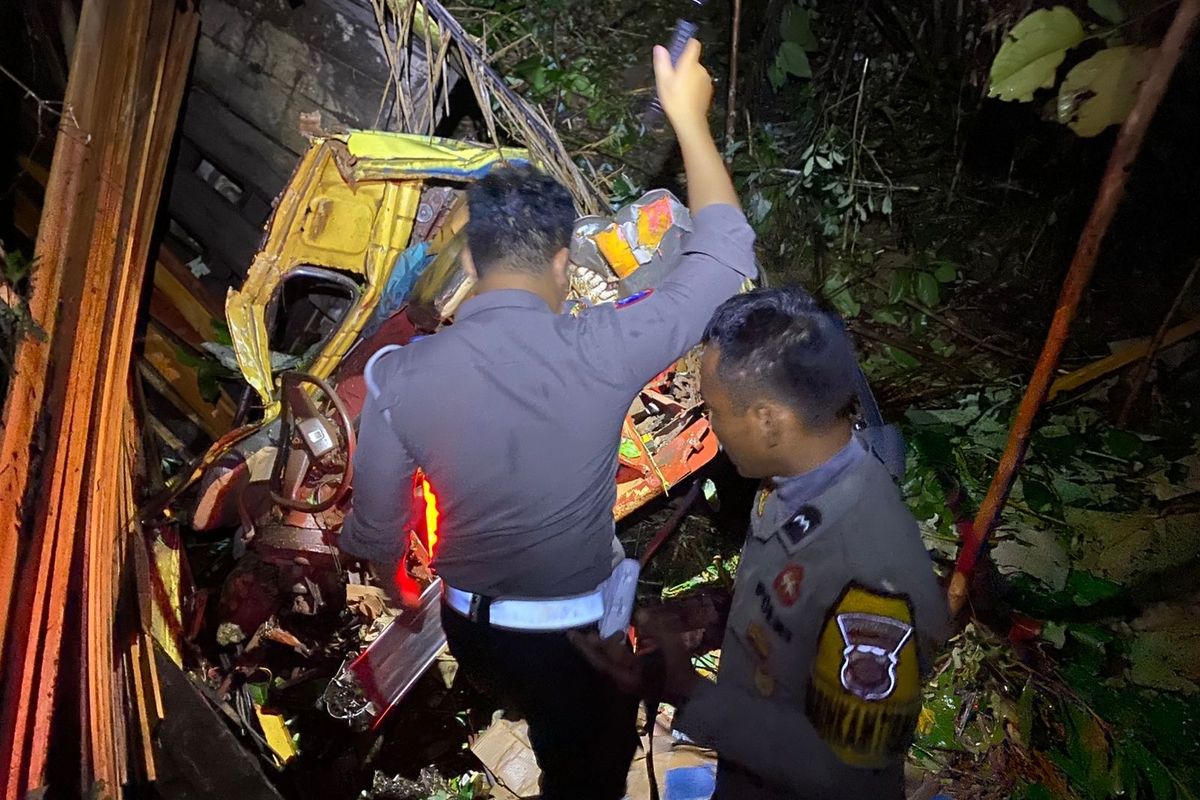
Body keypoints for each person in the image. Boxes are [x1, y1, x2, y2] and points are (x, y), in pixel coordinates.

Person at [338, 39, 758, 800]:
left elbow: (375, 533)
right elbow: (727, 254)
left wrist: (400, 585)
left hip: (472, 633)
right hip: (575, 645)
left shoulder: (396, 380)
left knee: (529, 705)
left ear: (468, 268)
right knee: (583, 774)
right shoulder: (603, 346)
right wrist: (689, 121)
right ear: (565, 264)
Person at [573, 287, 949, 799]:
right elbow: (793, 605)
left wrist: (686, 693)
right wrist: (707, 615)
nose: (709, 427)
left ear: (768, 420)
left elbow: (846, 780)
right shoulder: (788, 481)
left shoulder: (873, 583)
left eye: (713, 411)